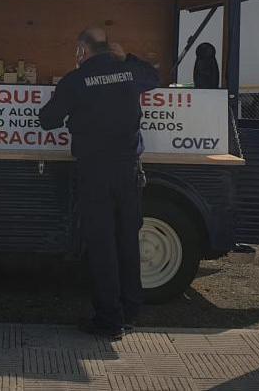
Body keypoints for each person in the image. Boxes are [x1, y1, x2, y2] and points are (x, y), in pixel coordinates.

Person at [38, 26, 160, 340]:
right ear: (109, 49)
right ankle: (131, 308)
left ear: (82, 51)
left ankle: (109, 320)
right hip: (128, 170)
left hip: (95, 172)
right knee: (127, 239)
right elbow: (155, 78)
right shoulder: (129, 73)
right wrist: (128, 56)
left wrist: (69, 113)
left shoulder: (75, 81)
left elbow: (47, 119)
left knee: (103, 244)